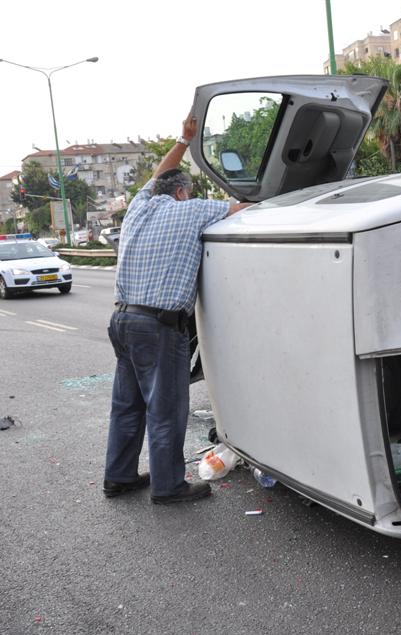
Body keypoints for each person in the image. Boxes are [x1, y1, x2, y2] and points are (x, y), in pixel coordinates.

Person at [103, 112, 251, 505]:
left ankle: (118, 476)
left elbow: (158, 175)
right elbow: (242, 210)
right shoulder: (194, 210)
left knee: (127, 405)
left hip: (122, 320)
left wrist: (184, 141)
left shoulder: (139, 207)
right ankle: (168, 486)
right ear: (183, 192)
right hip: (157, 327)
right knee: (165, 409)